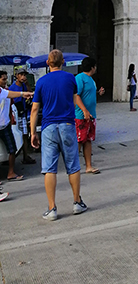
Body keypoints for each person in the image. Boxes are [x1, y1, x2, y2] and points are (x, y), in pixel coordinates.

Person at [30, 50, 90, 221]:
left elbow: (35, 109)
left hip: (48, 127)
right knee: (73, 165)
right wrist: (84, 110)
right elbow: (74, 96)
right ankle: (77, 202)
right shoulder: (70, 78)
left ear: (48, 63)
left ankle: (52, 208)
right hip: (67, 124)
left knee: (49, 168)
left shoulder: (41, 82)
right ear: (63, 62)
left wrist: (33, 132)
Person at [0, 70, 33, 182]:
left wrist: (25, 94)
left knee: (12, 149)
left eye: (6, 79)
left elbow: (10, 96)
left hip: (5, 124)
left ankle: (11, 172)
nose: (5, 81)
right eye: (3, 79)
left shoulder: (3, 91)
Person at [75, 57, 104, 175]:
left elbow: (89, 94)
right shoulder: (79, 78)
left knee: (88, 140)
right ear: (92, 67)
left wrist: (99, 93)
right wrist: (84, 110)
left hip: (91, 116)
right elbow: (76, 96)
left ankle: (88, 166)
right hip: (81, 115)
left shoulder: (91, 80)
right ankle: (74, 167)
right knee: (79, 140)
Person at [8, 68, 36, 164]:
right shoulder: (12, 88)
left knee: (24, 134)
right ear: (17, 76)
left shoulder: (24, 86)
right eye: (21, 75)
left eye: (24, 75)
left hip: (22, 113)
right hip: (15, 114)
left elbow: (30, 93)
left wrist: (27, 84)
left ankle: (25, 155)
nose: (23, 77)